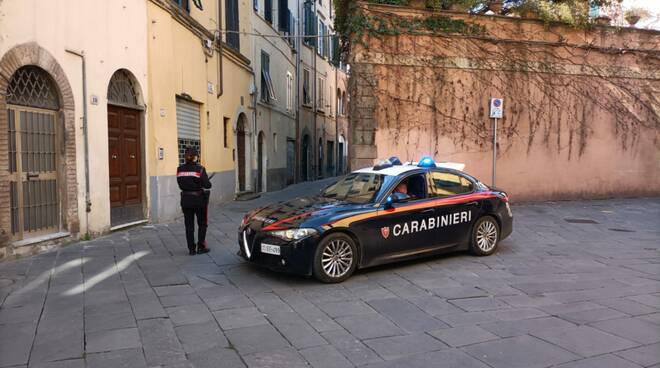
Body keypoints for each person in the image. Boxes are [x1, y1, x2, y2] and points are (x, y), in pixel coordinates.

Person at [177, 147, 212, 255]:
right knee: (202, 223)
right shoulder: (200, 169)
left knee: (189, 226)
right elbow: (207, 185)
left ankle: (191, 249)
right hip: (199, 201)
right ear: (195, 157)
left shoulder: (179, 169)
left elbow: (180, 184)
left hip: (186, 200)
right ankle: (201, 246)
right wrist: (201, 183)